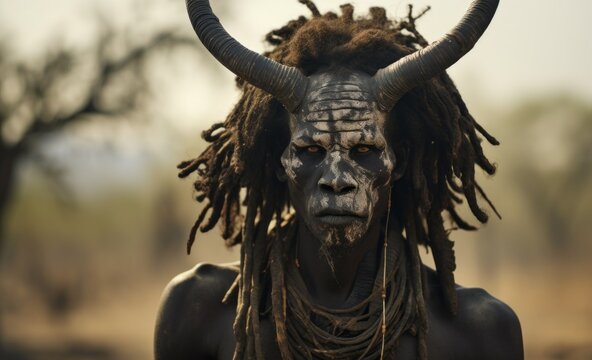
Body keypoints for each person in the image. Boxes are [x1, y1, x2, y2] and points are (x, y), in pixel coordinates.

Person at [155, 0, 523, 359]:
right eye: (310, 152)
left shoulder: (479, 333)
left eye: (364, 151)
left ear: (400, 163)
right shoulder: (198, 311)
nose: (336, 179)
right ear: (279, 164)